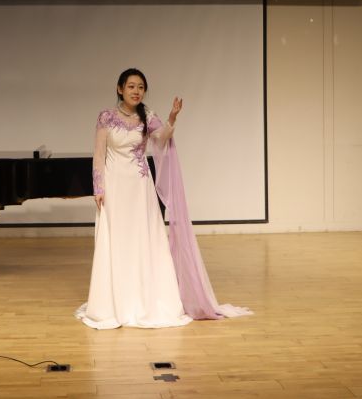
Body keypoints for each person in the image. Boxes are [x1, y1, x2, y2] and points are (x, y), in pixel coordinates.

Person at [75, 68, 251, 329]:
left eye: (141, 87)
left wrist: (171, 118)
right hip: (114, 187)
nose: (136, 91)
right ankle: (114, 302)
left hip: (139, 188)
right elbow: (99, 154)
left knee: (142, 239)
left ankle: (146, 300)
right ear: (120, 89)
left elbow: (161, 139)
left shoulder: (147, 115)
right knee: (116, 240)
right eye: (131, 86)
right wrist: (98, 188)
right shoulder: (106, 117)